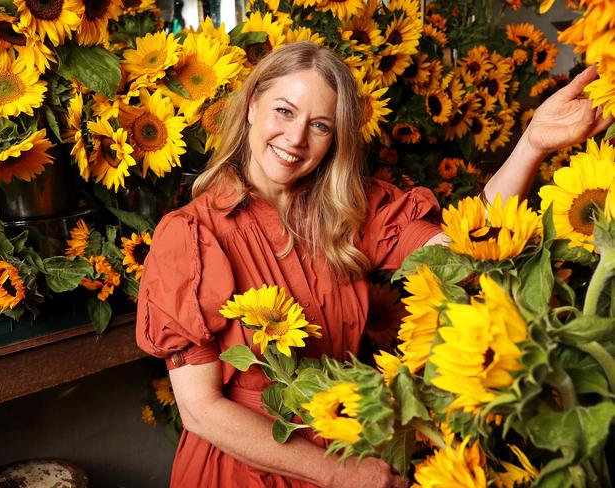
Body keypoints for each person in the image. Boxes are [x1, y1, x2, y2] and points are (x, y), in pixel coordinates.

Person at [135, 41, 612, 488]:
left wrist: (531, 143)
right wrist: (337, 474)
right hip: (244, 469)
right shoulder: (191, 235)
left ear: (334, 139)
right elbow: (200, 410)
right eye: (284, 111)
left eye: (320, 125)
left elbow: (465, 249)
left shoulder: (347, 213)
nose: (296, 138)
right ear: (254, 105)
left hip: (351, 452)